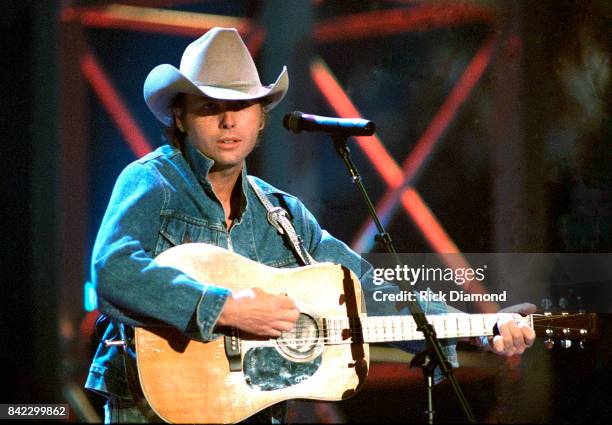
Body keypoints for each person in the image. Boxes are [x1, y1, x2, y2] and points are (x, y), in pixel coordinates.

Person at [85, 27, 535, 423]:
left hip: (251, 411)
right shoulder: (153, 181)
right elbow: (113, 271)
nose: (228, 120)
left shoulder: (282, 213)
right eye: (209, 106)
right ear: (180, 116)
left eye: (242, 106)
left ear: (260, 118)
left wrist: (479, 327)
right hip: (152, 406)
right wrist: (226, 308)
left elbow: (367, 291)